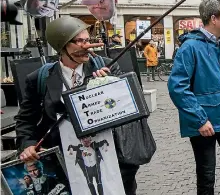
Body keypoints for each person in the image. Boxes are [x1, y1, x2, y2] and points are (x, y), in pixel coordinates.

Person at [15, 17, 140, 195]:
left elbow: (128, 107)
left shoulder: (106, 66)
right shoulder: (40, 78)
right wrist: (28, 144)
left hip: (112, 160)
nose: (86, 45)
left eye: (88, 40)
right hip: (66, 165)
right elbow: (26, 119)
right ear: (62, 45)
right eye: (79, 41)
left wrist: (108, 86)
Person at [168, 0, 220, 195]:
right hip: (204, 124)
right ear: (214, 18)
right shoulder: (190, 47)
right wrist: (200, 119)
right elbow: (178, 87)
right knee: (206, 177)